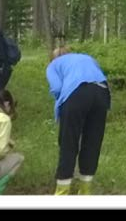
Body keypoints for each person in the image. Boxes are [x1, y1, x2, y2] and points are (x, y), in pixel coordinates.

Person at [46, 46, 110, 195]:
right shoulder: (88, 58)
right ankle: (85, 190)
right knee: (92, 142)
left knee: (69, 142)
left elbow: (56, 88)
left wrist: (61, 106)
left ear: (54, 58)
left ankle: (62, 191)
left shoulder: (53, 65)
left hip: (76, 94)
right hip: (102, 93)